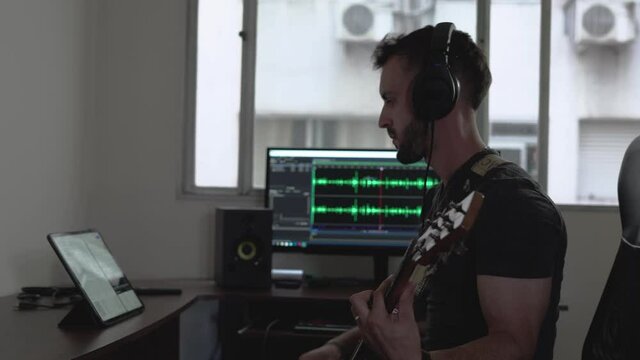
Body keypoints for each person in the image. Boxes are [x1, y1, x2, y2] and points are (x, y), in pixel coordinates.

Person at [299, 22, 567, 360]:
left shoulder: (513, 205)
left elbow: (514, 347)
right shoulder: (444, 196)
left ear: (435, 96)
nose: (383, 119)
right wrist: (338, 347)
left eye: (390, 100)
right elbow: (425, 316)